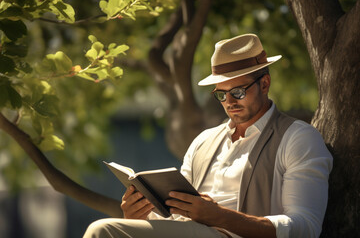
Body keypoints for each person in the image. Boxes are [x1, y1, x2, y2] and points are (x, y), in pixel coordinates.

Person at [83, 34, 333, 238]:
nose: (229, 102)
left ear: (264, 84)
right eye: (221, 94)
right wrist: (139, 215)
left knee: (101, 230)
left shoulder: (298, 138)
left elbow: (305, 228)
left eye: (237, 91)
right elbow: (179, 219)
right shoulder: (204, 141)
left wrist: (221, 217)